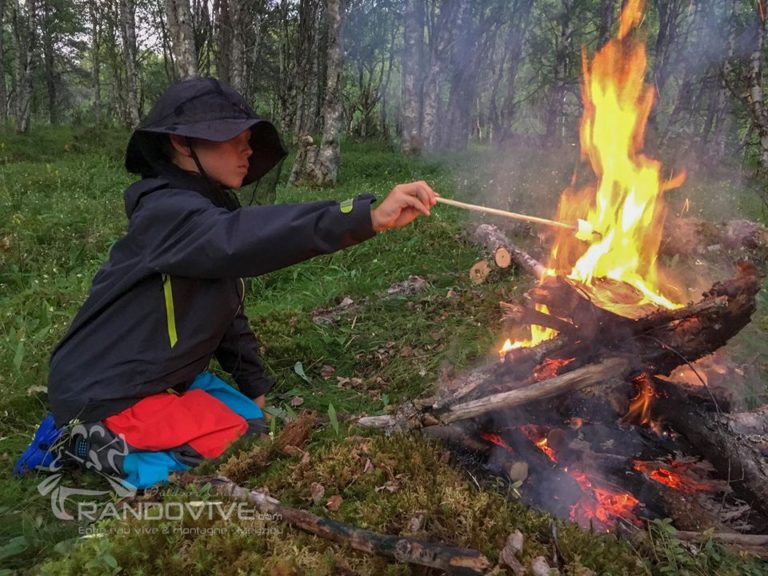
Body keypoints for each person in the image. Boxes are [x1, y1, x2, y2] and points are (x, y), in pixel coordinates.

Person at [14, 77, 437, 488]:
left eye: (248, 137)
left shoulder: (203, 213)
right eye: (231, 136)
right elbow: (241, 240)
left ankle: (121, 428)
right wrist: (365, 216)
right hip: (107, 390)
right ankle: (82, 441)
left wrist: (254, 385)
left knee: (252, 421)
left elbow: (225, 313)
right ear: (182, 144)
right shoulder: (169, 215)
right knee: (237, 442)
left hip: (154, 377)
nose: (247, 148)